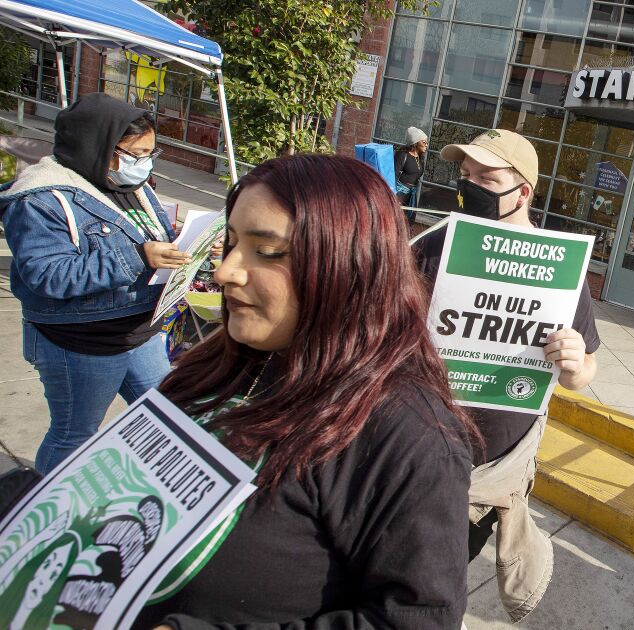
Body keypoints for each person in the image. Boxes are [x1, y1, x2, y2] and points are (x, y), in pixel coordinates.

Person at [133, 155, 479, 629]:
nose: (227, 272)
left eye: (268, 252)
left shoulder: (406, 435)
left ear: (348, 266)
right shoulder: (222, 360)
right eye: (230, 243)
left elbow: (417, 619)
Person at [413, 129, 600, 621]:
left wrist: (577, 362)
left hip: (485, 476)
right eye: (466, 175)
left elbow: (583, 373)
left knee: (434, 587)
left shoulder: (561, 270)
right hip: (414, 449)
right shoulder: (436, 245)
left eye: (486, 178)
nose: (470, 186)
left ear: (522, 192)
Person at [1, 93, 186, 473]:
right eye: (137, 154)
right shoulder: (38, 198)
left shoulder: (133, 187)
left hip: (138, 331)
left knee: (167, 419)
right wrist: (138, 257)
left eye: (151, 154)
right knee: (74, 435)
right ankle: (42, 512)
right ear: (98, 144)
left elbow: (147, 236)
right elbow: (47, 275)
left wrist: (185, 243)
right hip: (79, 339)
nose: (144, 164)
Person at [397, 126, 427, 222]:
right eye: (424, 142)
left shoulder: (419, 158)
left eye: (427, 142)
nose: (426, 145)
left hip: (412, 195)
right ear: (415, 142)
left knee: (408, 222)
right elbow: (393, 174)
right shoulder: (402, 154)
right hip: (400, 194)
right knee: (398, 220)